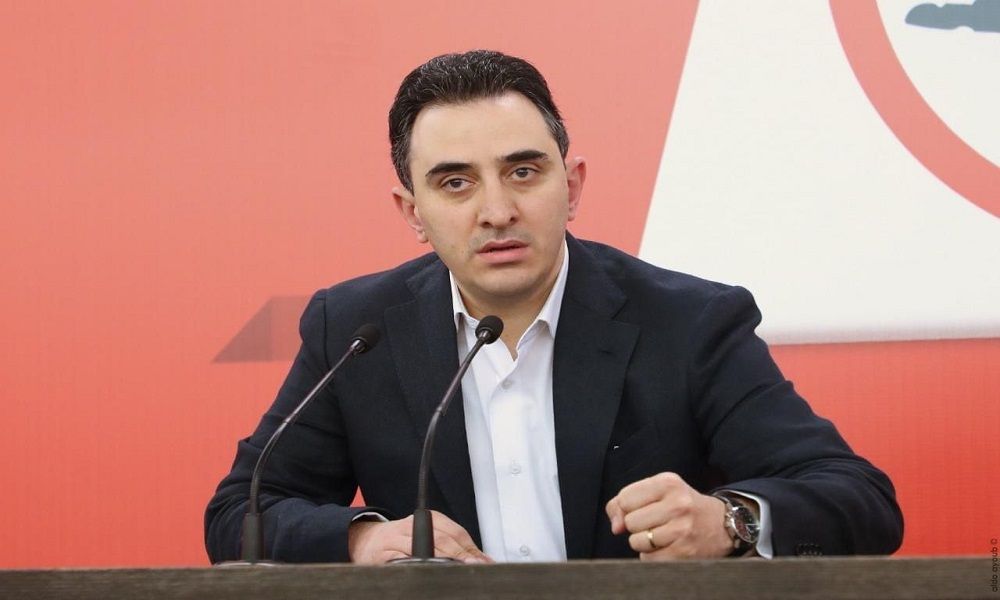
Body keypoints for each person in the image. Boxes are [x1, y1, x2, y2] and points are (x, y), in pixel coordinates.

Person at [205, 50, 903, 564]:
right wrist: (362, 539)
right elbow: (241, 512)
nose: (497, 211)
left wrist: (729, 521)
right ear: (413, 212)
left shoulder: (690, 322)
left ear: (573, 186)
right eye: (455, 183)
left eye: (523, 171)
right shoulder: (359, 330)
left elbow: (859, 499)